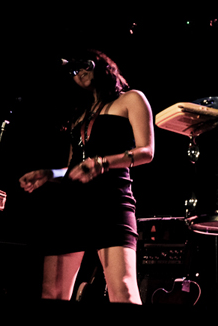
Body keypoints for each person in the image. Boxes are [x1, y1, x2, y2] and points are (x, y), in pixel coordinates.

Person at [19, 49, 154, 304]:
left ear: (102, 66)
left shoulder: (131, 99)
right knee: (52, 294)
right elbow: (74, 167)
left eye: (84, 66)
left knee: (122, 290)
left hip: (112, 201)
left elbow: (147, 151)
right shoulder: (80, 115)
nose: (78, 73)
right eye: (73, 71)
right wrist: (50, 174)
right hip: (72, 205)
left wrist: (103, 163)